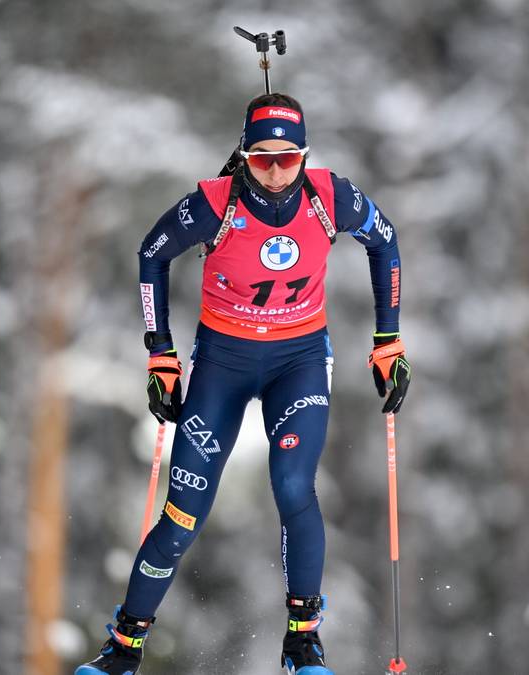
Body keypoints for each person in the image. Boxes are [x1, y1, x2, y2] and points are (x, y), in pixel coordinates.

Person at [77, 93, 411, 675]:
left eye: (289, 158)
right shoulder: (214, 204)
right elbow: (152, 255)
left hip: (299, 361)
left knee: (293, 485)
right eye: (262, 159)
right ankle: (123, 648)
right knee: (183, 514)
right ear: (244, 154)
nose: (277, 172)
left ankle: (303, 643)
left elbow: (385, 242)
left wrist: (389, 340)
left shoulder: (331, 195)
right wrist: (161, 354)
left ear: (306, 155)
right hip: (223, 365)